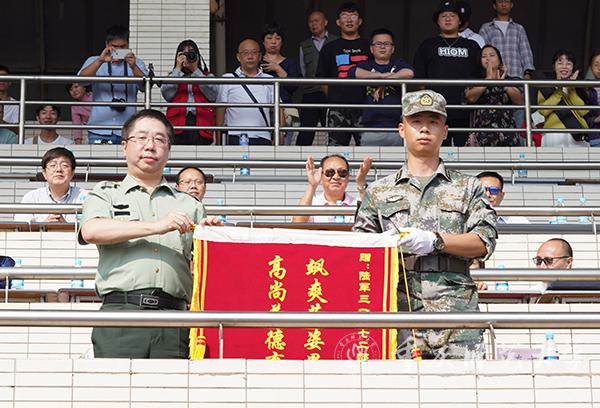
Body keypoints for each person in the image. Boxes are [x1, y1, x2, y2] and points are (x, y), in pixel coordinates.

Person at [353, 90, 497, 359]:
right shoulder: (379, 191)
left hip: (456, 314)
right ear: (401, 130)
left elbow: (483, 242)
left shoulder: (468, 187)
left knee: (463, 384)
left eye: (433, 122)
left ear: (445, 131)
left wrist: (435, 241)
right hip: (398, 313)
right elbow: (360, 251)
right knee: (400, 385)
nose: (424, 129)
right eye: (416, 121)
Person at [79, 109, 222, 359]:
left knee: (172, 384)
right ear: (124, 146)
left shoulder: (190, 204)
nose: (150, 145)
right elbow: (91, 230)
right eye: (142, 137)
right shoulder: (105, 193)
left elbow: (206, 265)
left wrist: (214, 238)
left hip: (175, 318)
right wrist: (157, 226)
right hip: (121, 314)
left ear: (168, 149)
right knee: (116, 383)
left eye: (159, 139)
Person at [413, 0, 481, 146]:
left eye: (452, 16)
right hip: (435, 110)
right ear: (437, 21)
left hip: (464, 111)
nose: (448, 19)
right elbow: (419, 79)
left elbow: (479, 76)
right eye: (443, 16)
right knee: (436, 150)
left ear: (460, 20)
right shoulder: (428, 45)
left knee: (464, 153)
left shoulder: (472, 46)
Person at [78, 25, 148, 144]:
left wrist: (133, 66)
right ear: (107, 44)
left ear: (128, 45)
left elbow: (144, 87)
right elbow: (81, 81)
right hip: (99, 128)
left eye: (123, 47)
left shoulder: (137, 63)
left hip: (128, 129)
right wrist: (100, 61)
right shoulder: (94, 60)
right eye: (114, 47)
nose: (118, 50)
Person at [316, 2, 371, 146]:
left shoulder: (369, 46)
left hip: (365, 107)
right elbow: (322, 79)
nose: (349, 20)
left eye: (353, 16)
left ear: (360, 21)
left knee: (368, 149)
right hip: (337, 107)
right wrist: (335, 97)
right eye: (345, 16)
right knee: (336, 151)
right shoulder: (329, 48)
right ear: (338, 22)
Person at [348, 28, 414, 146]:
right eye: (378, 44)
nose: (382, 47)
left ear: (392, 48)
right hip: (370, 126)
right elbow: (353, 72)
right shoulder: (366, 65)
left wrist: (384, 83)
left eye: (386, 44)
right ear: (371, 49)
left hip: (396, 127)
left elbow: (409, 73)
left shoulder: (398, 64)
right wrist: (380, 76)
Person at [216, 38, 282, 145]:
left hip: (263, 137)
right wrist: (218, 143)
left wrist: (279, 136)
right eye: (246, 53)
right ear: (238, 57)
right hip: (235, 137)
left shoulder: (270, 80)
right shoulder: (227, 79)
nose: (250, 56)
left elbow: (279, 110)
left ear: (260, 56)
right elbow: (220, 111)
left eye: (254, 52)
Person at [464, 45, 523, 146]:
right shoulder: (475, 80)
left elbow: (519, 101)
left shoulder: (510, 80)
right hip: (483, 134)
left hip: (507, 134)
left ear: (499, 60)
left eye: (492, 55)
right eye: (484, 56)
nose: (488, 58)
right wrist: (488, 79)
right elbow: (471, 98)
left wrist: (503, 83)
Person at [161, 39, 217, 145]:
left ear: (197, 56)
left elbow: (213, 96)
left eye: (191, 53)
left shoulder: (207, 76)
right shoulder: (173, 76)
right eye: (184, 54)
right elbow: (167, 95)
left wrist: (196, 71)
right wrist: (177, 68)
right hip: (177, 125)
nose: (187, 57)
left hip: (201, 125)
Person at [296, 11, 339, 146]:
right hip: (310, 92)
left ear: (325, 22)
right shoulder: (304, 45)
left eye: (317, 21)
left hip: (331, 92)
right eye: (311, 22)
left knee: (333, 130)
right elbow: (303, 70)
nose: (313, 24)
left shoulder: (336, 41)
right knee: (306, 131)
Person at [292, 154, 371, 224]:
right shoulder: (312, 203)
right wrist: (312, 186)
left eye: (342, 173)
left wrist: (361, 182)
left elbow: (372, 220)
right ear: (321, 175)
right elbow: (297, 223)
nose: (336, 177)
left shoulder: (357, 203)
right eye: (330, 172)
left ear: (348, 176)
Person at [15, 147, 86, 223]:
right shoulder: (32, 197)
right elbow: (20, 226)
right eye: (53, 165)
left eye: (64, 165)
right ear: (44, 173)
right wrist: (44, 226)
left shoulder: (85, 197)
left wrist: (65, 226)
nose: (58, 169)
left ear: (72, 173)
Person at [537, 50, 590, 147]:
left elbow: (583, 111)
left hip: (577, 134)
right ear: (554, 67)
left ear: (573, 67)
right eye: (560, 63)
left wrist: (571, 88)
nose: (564, 67)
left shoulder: (579, 86)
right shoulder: (546, 87)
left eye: (568, 63)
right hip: (554, 132)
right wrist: (559, 91)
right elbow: (543, 111)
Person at [260, 23, 301, 145]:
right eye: (269, 38)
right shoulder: (257, 61)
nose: (273, 42)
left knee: (283, 147)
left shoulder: (290, 62)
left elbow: (293, 87)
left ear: (282, 42)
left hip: (285, 111)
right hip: (260, 111)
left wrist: (278, 69)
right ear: (263, 42)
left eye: (277, 38)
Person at [478, 0, 535, 79]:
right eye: (500, 2)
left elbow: (526, 53)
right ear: (494, 5)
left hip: (516, 76)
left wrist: (527, 73)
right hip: (494, 77)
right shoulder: (486, 28)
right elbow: (481, 54)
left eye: (506, 1)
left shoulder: (518, 28)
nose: (503, 4)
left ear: (511, 5)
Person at [585, 50, 600, 146]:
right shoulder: (586, 90)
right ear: (590, 67)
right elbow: (582, 117)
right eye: (596, 65)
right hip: (596, 138)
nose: (599, 68)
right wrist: (595, 119)